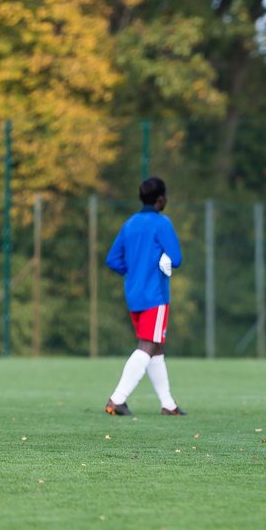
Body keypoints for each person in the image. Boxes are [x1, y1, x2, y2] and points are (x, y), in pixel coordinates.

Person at [104, 176, 186, 416]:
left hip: (134, 294)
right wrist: (160, 261)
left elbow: (113, 260)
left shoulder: (130, 223)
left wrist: (134, 270)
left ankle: (168, 404)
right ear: (161, 199)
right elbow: (177, 258)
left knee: (156, 347)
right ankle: (116, 399)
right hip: (155, 295)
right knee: (148, 345)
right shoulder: (162, 223)